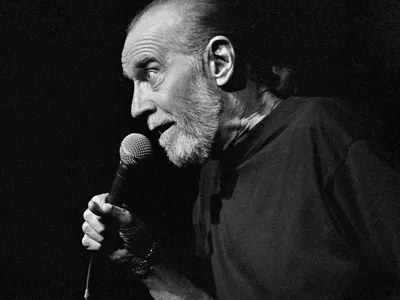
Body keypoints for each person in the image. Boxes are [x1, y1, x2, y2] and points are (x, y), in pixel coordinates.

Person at [81, 0, 400, 299]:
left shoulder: (324, 134)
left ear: (219, 61)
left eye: (151, 73)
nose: (137, 107)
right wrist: (143, 262)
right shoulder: (212, 181)